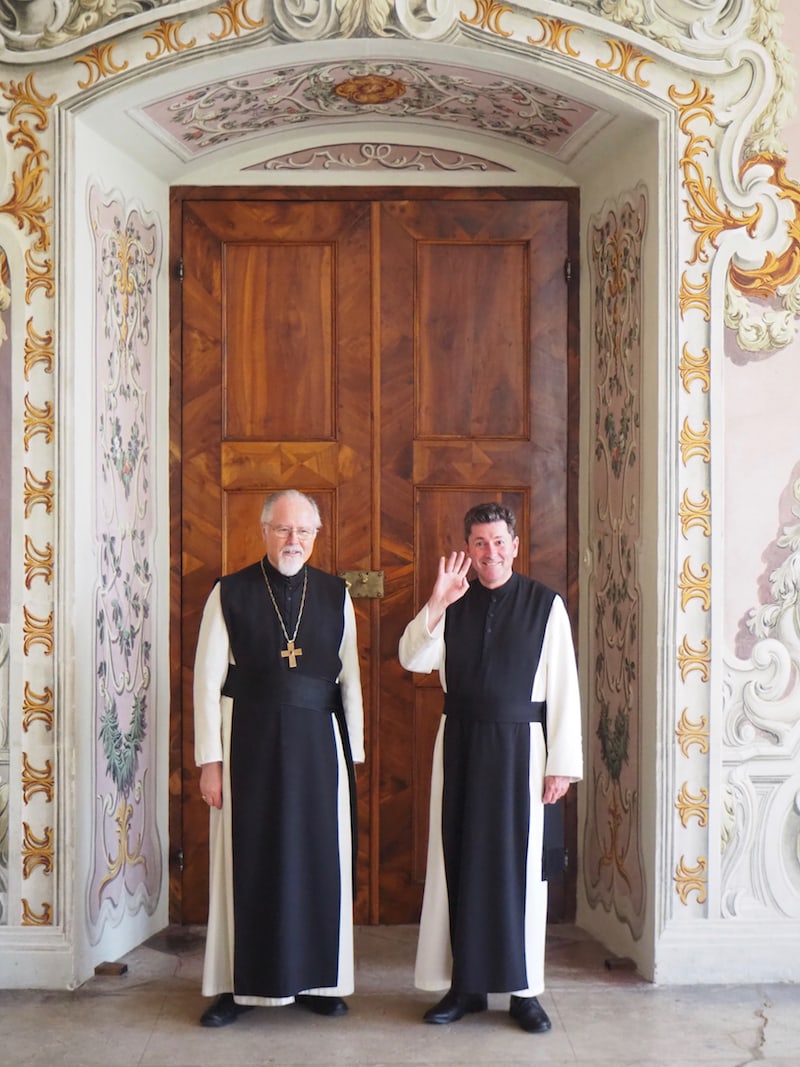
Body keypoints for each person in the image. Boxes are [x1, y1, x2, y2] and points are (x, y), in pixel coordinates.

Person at [398, 502, 582, 1034]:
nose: (490, 553)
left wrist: (561, 765)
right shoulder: (453, 601)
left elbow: (565, 689)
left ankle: (524, 993)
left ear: (515, 544)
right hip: (460, 745)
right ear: (467, 549)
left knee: (519, 870)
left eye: (499, 542)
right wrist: (436, 600)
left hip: (523, 751)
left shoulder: (545, 606)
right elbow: (412, 658)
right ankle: (466, 987)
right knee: (460, 862)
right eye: (479, 543)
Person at [193, 489, 365, 1027]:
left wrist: (352, 752)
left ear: (317, 535)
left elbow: (350, 679)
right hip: (248, 741)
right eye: (284, 530)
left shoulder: (337, 594)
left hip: (319, 747)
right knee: (246, 861)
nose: (295, 540)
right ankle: (234, 986)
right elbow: (205, 682)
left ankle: (319, 980)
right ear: (264, 531)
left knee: (318, 860)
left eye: (305, 532)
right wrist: (209, 761)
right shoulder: (230, 592)